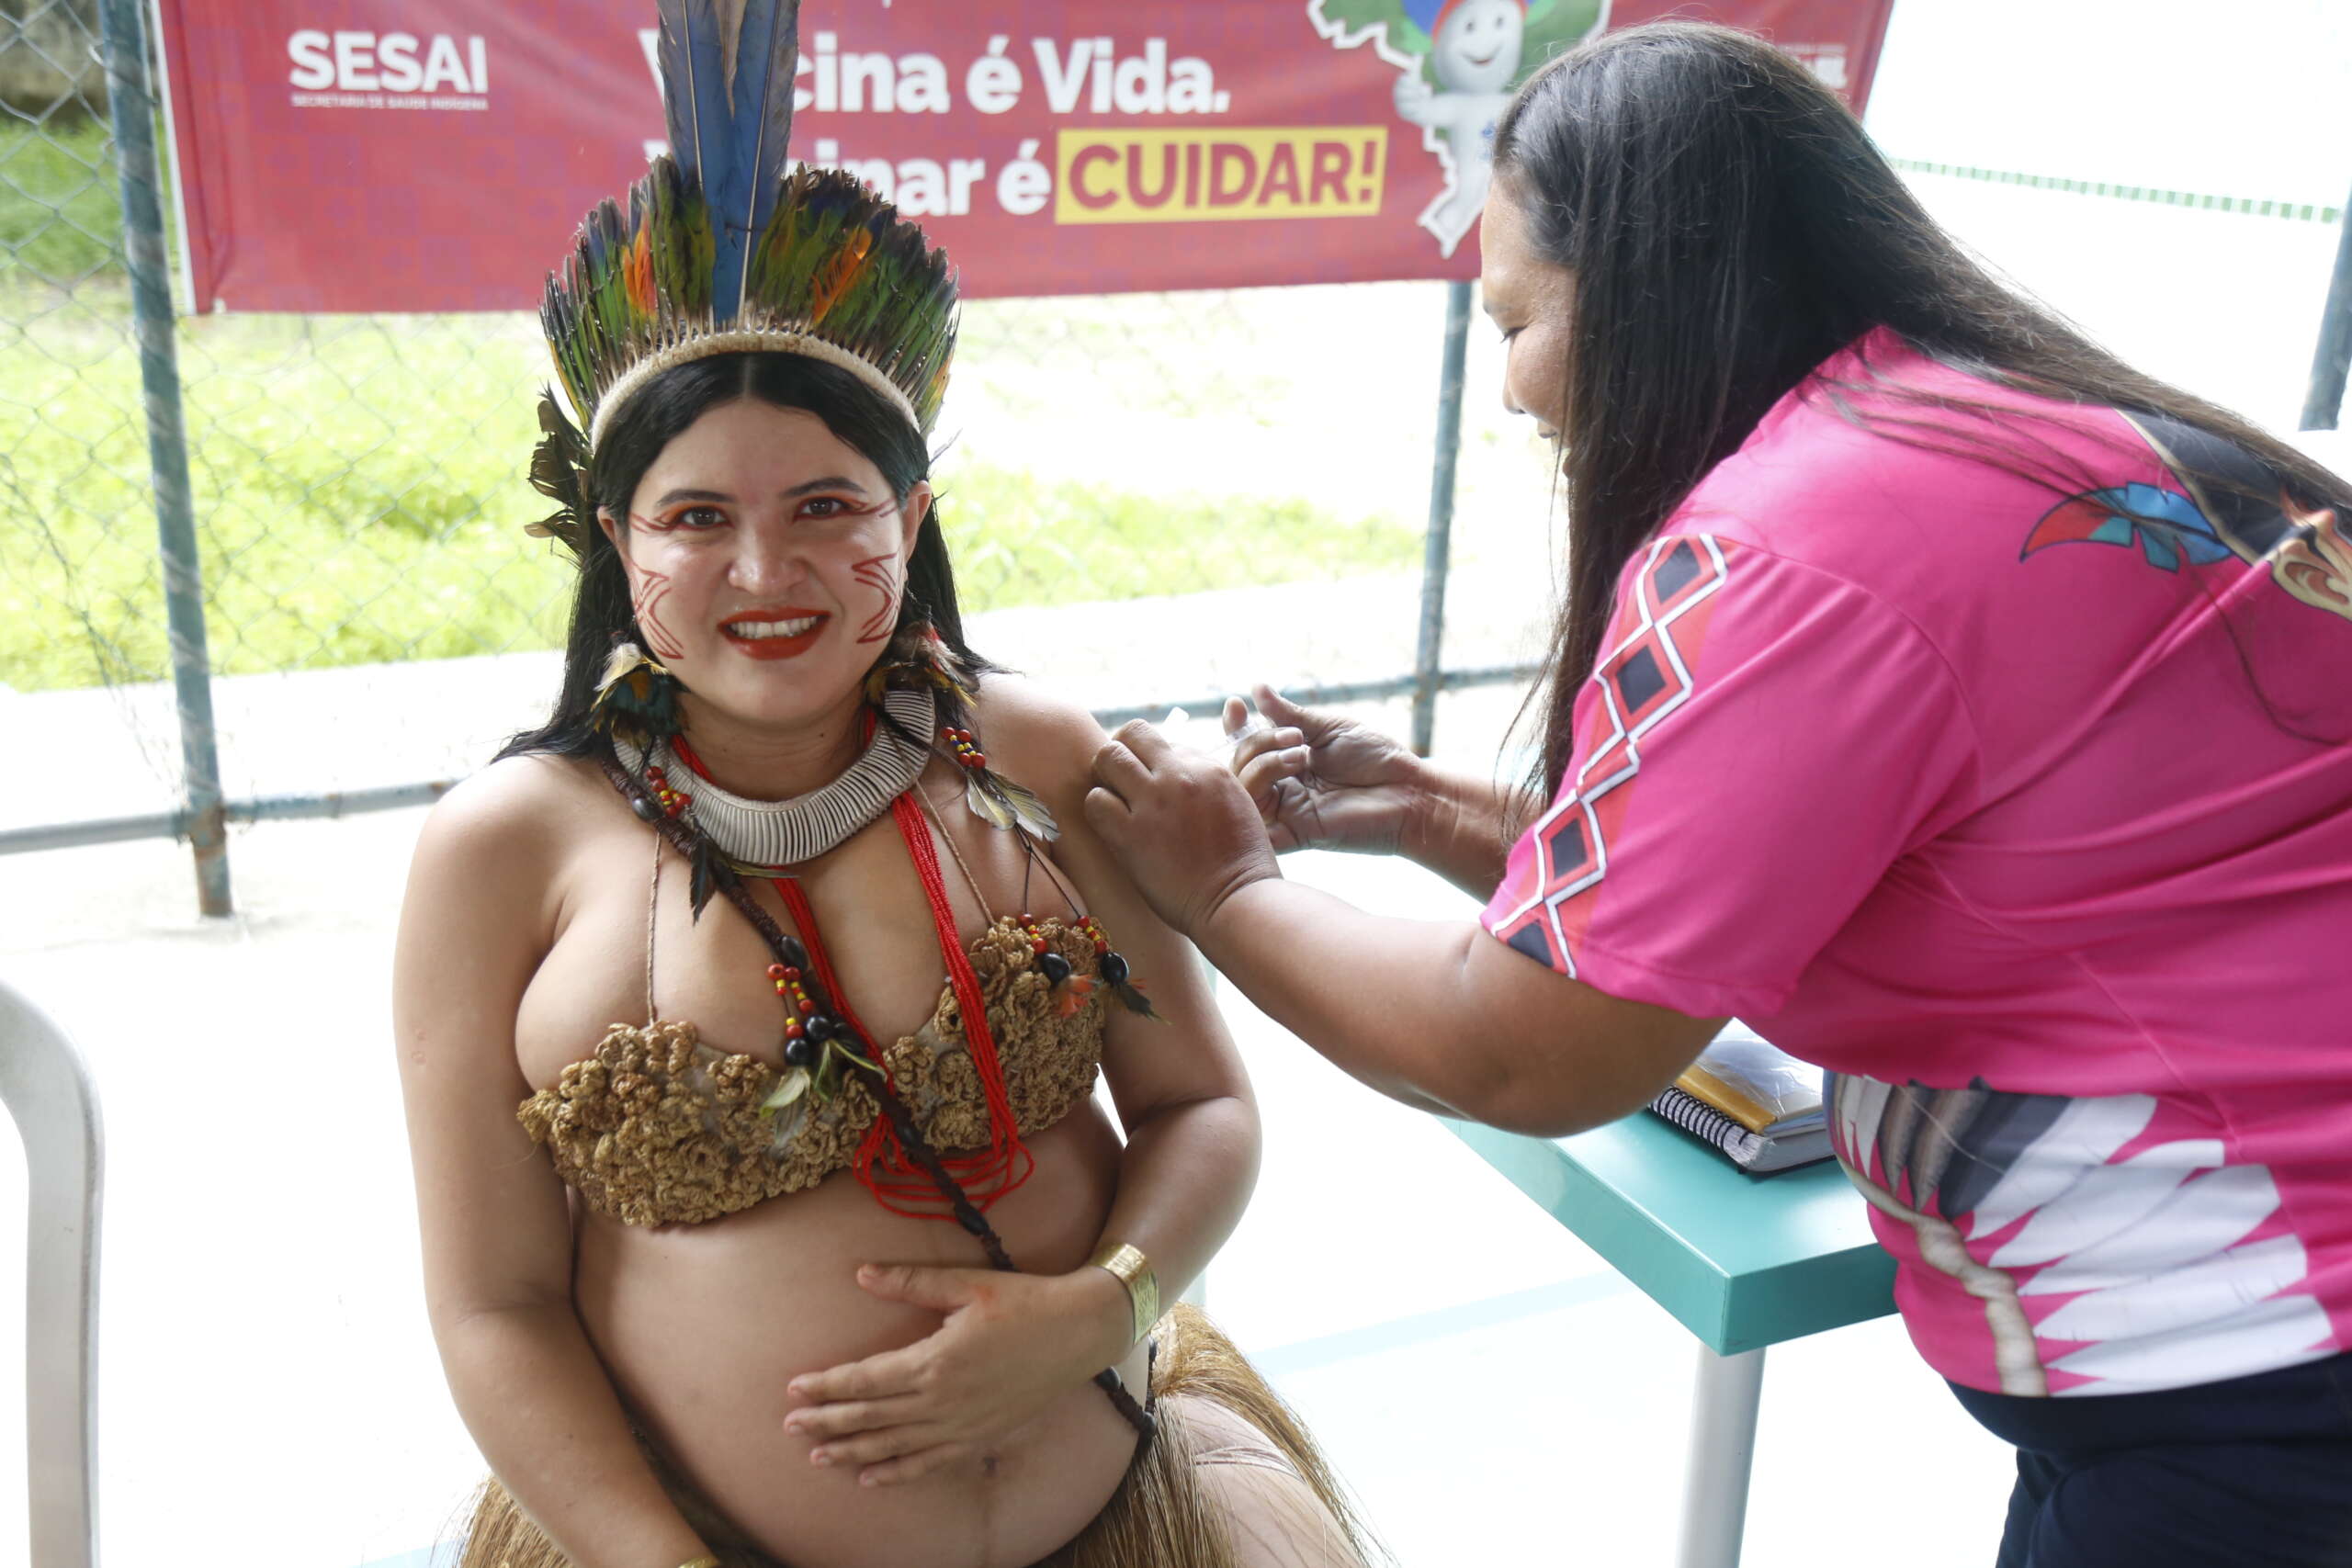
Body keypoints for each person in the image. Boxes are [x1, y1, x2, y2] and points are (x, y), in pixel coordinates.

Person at [1082, 21, 2352, 1568]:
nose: (1514, 393)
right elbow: (1780, 879)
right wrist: (1423, 807)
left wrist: (1221, 886)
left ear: (1637, 292)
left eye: (1518, 321)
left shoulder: (1794, 549)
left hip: (2259, 1387)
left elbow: (1524, 1053)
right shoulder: (2025, 434)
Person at [391, 5, 1372, 1566]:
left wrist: (1091, 1318)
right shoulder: (508, 848)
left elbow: (1199, 1108)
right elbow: (493, 1306)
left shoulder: (1042, 759)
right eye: (696, 518)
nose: (765, 571)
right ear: (613, 544)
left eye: (827, 505)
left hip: (1120, 1502)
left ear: (910, 521)